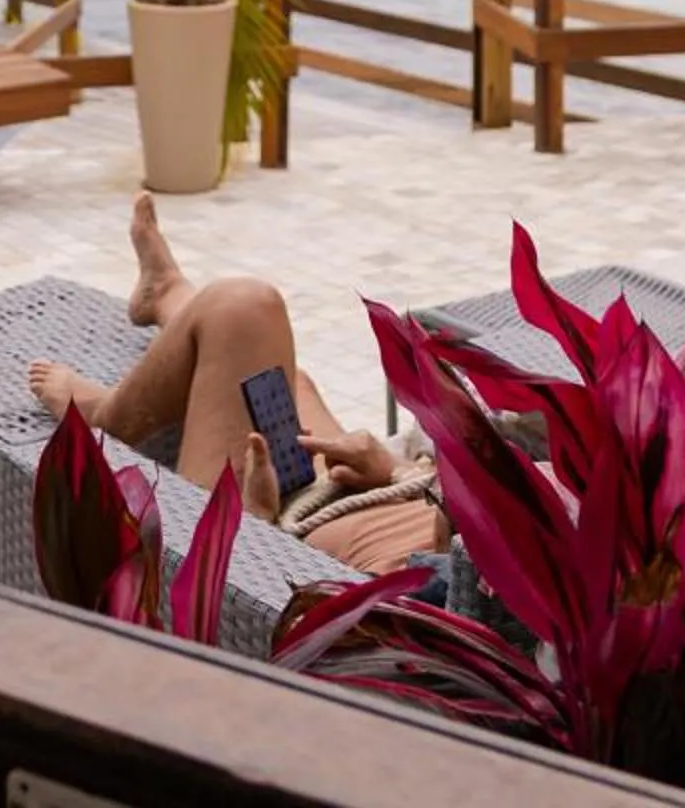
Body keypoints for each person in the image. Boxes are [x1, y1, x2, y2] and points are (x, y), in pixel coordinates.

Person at [27, 195, 449, 577]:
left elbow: (338, 622)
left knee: (240, 307)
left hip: (270, 544)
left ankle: (108, 416)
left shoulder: (469, 600)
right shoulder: (500, 533)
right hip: (366, 489)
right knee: (275, 366)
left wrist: (257, 519)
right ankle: (170, 297)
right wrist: (394, 471)